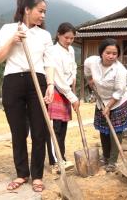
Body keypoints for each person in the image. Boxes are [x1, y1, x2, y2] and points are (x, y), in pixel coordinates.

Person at [0, 0, 54, 192]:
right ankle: (21, 174)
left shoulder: (43, 35)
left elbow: (49, 62)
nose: (43, 15)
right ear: (27, 9)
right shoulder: (8, 29)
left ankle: (37, 175)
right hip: (13, 81)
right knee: (18, 131)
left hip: (38, 81)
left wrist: (50, 85)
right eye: (40, 11)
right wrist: (13, 40)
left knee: (39, 130)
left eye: (45, 12)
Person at [84, 38, 127, 172]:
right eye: (108, 53)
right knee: (104, 130)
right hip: (101, 100)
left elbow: (119, 92)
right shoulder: (92, 61)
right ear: (101, 53)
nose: (111, 56)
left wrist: (109, 107)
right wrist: (90, 80)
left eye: (114, 53)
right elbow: (86, 69)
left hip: (118, 102)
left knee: (115, 131)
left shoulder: (120, 70)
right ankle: (105, 156)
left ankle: (113, 161)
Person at [46, 22, 79, 174]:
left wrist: (73, 79)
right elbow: (57, 78)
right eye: (66, 37)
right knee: (55, 128)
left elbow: (73, 68)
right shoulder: (52, 51)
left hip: (66, 92)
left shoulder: (71, 50)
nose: (69, 41)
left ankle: (62, 158)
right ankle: (55, 161)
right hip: (57, 91)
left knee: (63, 128)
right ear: (58, 35)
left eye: (72, 38)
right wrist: (72, 97)